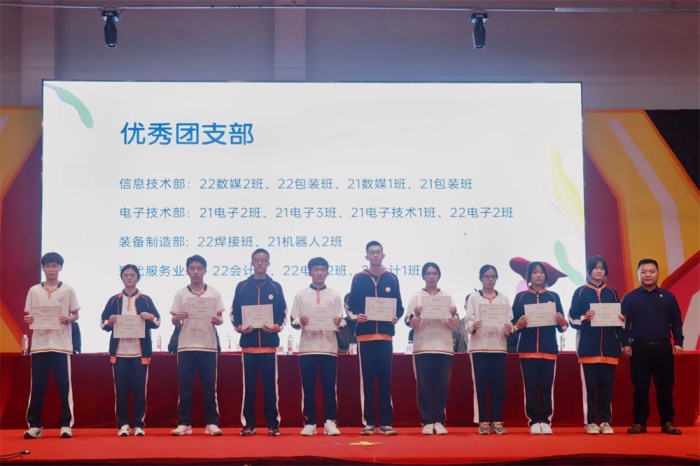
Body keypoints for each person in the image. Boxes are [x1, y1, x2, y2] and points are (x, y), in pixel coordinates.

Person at [347, 240, 404, 435]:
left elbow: (399, 307)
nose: (375, 255)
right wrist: (356, 316)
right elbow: (350, 305)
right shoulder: (358, 279)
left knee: (385, 380)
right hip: (365, 338)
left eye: (378, 252)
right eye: (372, 252)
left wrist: (396, 317)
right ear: (366, 256)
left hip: (385, 337)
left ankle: (386, 422)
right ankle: (369, 422)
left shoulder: (392, 279)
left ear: (383, 255)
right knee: (367, 381)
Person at [621, 258, 684, 435]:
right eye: (643, 271)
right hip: (638, 349)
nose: (648, 275)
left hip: (663, 348)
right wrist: (625, 343)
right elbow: (623, 324)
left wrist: (678, 342)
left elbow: (676, 322)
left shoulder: (668, 297)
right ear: (638, 274)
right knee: (640, 387)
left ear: (657, 273)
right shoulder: (630, 298)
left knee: (665, 387)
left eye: (651, 271)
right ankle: (639, 422)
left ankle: (667, 422)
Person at [23, 252, 80, 439]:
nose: (51, 269)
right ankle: (35, 426)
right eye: (48, 266)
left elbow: (75, 315)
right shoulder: (34, 291)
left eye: (55, 265)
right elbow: (29, 315)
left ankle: (66, 425)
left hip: (62, 345)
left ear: (60, 267)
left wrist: (68, 319)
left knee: (64, 387)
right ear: (43, 268)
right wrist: (29, 319)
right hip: (39, 345)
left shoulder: (68, 290)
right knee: (37, 387)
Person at [231, 248, 287, 436]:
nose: (260, 263)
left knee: (271, 388)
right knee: (249, 389)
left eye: (263, 260)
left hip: (269, 347)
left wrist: (276, 327)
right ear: (252, 263)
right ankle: (249, 424)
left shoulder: (276, 287)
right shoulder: (242, 286)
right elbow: (234, 313)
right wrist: (240, 327)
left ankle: (273, 424)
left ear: (268, 263)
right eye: (257, 260)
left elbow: (283, 313)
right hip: (249, 347)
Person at [100, 264, 161, 436]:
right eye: (126, 275)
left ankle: (139, 425)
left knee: (140, 390)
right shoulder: (114, 300)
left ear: (138, 278)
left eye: (132, 275)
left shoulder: (146, 300)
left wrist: (150, 317)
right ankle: (123, 425)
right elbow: (102, 323)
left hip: (140, 353)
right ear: (121, 278)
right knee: (121, 391)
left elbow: (157, 321)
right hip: (119, 353)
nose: (129, 278)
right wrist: (110, 322)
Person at [170, 255, 226, 436]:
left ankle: (211, 423)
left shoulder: (214, 293)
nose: (196, 272)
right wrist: (177, 317)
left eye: (199, 268)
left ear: (205, 271)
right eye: (192, 268)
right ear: (187, 271)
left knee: (209, 387)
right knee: (185, 387)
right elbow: (174, 320)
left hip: (208, 346)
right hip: (185, 346)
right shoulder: (180, 293)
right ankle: (184, 423)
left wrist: (218, 321)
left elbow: (220, 319)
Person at [568, 255, 623, 435]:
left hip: (609, 348)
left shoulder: (613, 292)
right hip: (588, 348)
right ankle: (590, 422)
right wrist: (584, 318)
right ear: (589, 270)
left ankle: (605, 421)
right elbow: (572, 319)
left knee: (607, 388)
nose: (599, 271)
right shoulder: (580, 292)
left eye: (602, 268)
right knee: (590, 389)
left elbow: (620, 320)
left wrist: (621, 320)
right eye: (595, 268)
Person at [511, 261, 568, 435]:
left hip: (548, 349)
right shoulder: (520, 297)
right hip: (527, 350)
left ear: (546, 275)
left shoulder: (554, 297)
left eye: (541, 272)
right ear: (529, 276)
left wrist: (561, 321)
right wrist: (518, 325)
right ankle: (534, 421)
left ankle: (545, 420)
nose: (538, 275)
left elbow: (563, 327)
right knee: (530, 387)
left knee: (546, 387)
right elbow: (512, 325)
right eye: (534, 272)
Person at [290, 257, 344, 436]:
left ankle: (330, 422)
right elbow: (293, 321)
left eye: (322, 269)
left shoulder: (335, 295)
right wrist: (301, 321)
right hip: (307, 348)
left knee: (329, 387)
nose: (319, 273)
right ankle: (310, 422)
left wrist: (339, 322)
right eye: (316, 269)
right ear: (309, 272)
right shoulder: (301, 295)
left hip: (329, 347)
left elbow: (341, 322)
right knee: (308, 387)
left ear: (327, 272)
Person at [404, 262, 458, 435]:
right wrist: (417, 315)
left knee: (442, 385)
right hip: (423, 347)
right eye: (428, 273)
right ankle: (427, 421)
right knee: (425, 385)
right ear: (423, 276)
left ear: (439, 276)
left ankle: (439, 420)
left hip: (444, 347)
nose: (432, 276)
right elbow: (410, 323)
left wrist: (453, 314)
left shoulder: (446, 297)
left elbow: (454, 324)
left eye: (435, 273)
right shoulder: (417, 296)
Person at [465, 265, 513, 435]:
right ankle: (483, 421)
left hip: (498, 347)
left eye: (493, 276)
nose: (490, 279)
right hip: (479, 347)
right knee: (480, 386)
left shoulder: (504, 298)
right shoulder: (473, 298)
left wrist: (509, 328)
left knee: (498, 386)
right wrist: (473, 325)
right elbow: (468, 322)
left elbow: (509, 321)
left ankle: (497, 421)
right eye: (486, 276)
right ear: (481, 278)